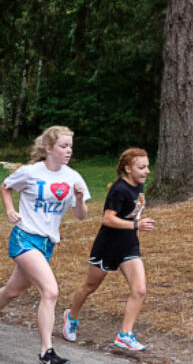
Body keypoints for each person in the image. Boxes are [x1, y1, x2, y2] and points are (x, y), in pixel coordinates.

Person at [0, 126, 90, 364]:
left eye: (70, 147)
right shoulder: (32, 172)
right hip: (25, 238)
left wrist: (78, 199)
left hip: (47, 244)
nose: (68, 151)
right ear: (49, 148)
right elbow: (6, 186)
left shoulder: (73, 177)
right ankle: (47, 351)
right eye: (63, 146)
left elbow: (80, 216)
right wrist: (10, 210)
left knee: (13, 291)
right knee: (50, 291)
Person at [63, 147, 155, 352]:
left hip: (129, 246)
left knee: (139, 290)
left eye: (147, 167)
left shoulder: (139, 186)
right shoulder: (119, 189)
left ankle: (124, 335)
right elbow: (108, 218)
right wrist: (135, 225)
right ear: (128, 168)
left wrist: (136, 225)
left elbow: (131, 214)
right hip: (107, 247)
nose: (147, 171)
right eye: (142, 167)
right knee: (89, 287)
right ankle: (71, 317)